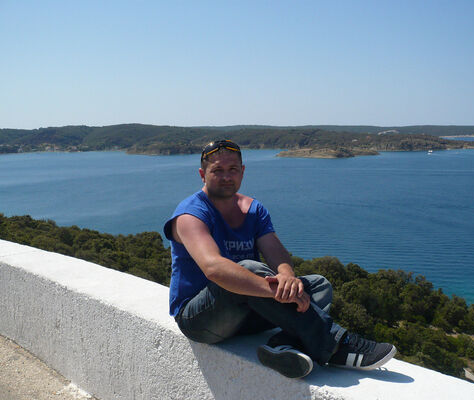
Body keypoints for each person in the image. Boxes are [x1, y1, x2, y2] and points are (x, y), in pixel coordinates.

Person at [163, 139, 396, 379]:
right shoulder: (190, 215)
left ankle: (281, 346)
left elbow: (276, 253)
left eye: (232, 169)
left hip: (246, 314)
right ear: (202, 174)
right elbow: (214, 268)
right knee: (249, 269)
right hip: (199, 319)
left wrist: (287, 277)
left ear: (242, 172)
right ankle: (337, 345)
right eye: (217, 170)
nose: (226, 177)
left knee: (318, 286)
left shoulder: (254, 210)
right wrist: (274, 291)